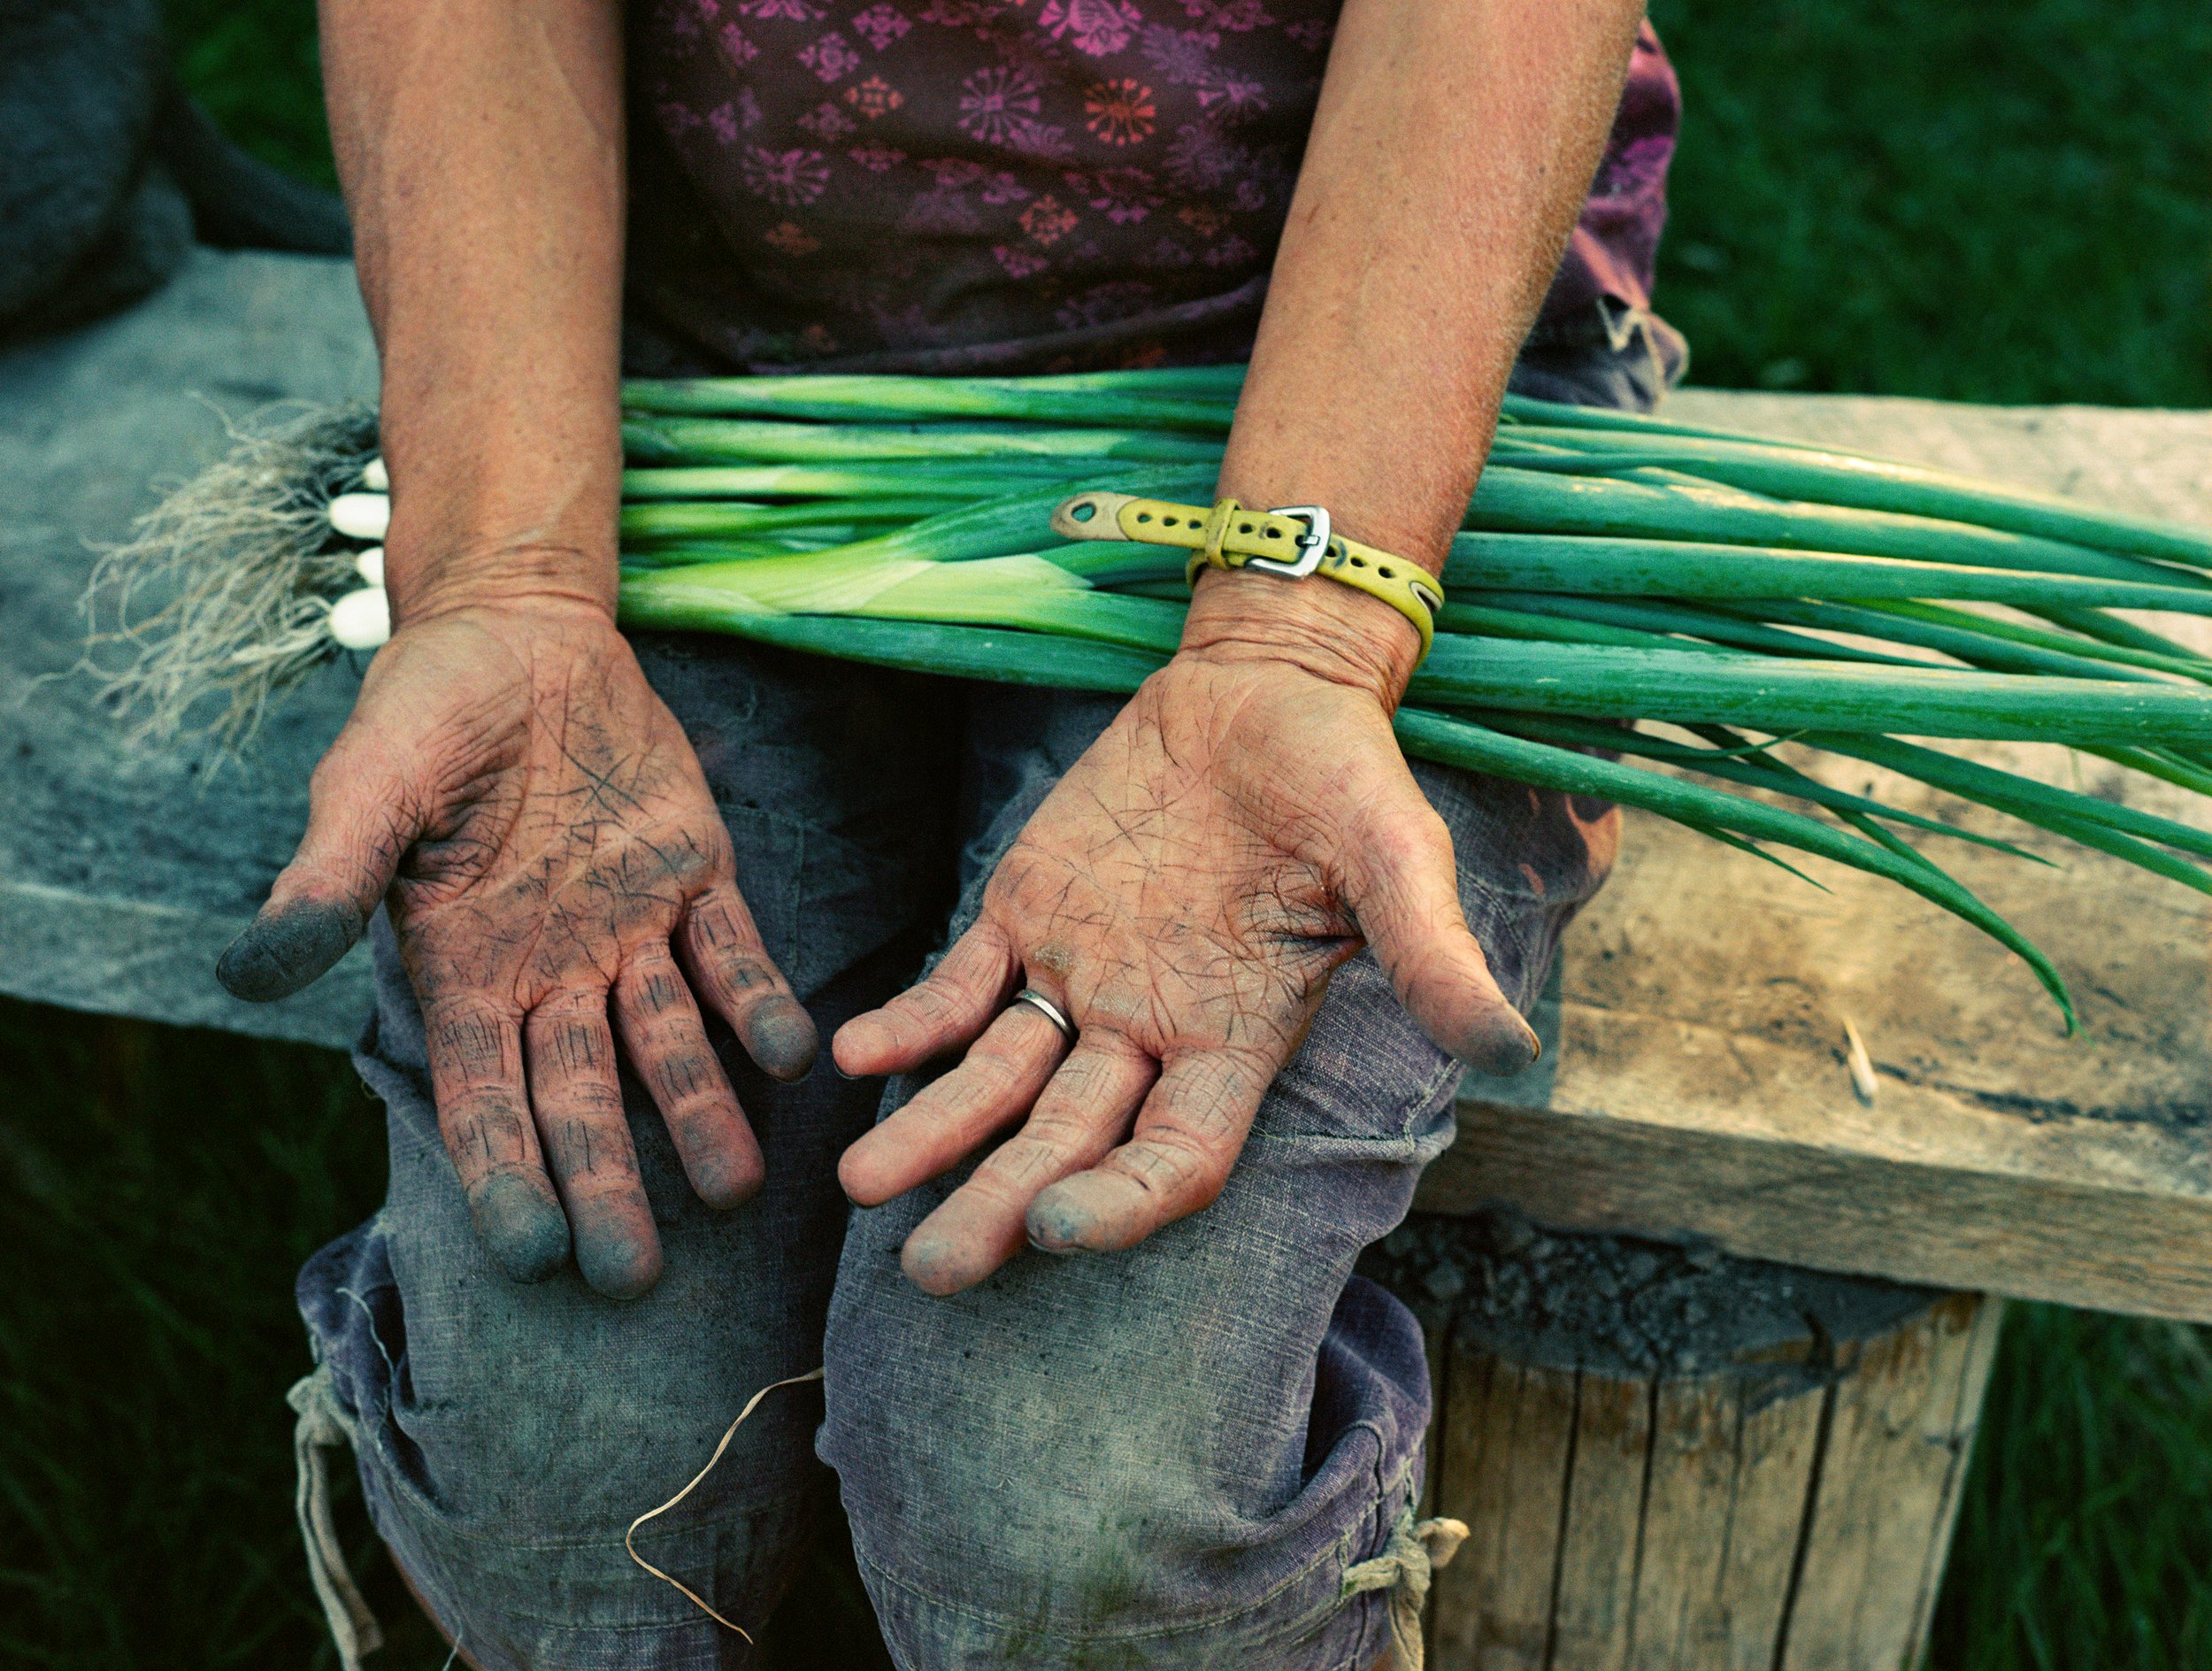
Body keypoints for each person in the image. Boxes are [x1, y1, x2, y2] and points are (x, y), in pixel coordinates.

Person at [233, 2, 1683, 1666]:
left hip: (1374, 405)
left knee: (1061, 1517)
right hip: (719, 408)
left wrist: (1297, 639)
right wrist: (498, 576)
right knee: (562, 1481)